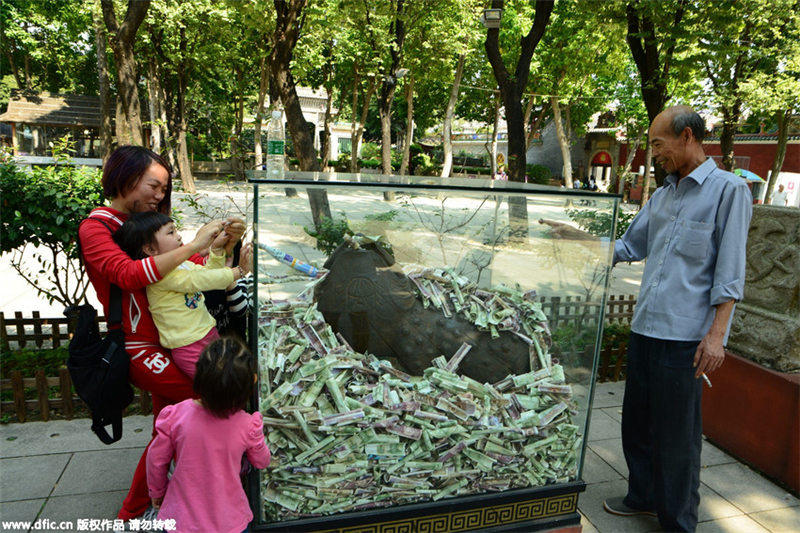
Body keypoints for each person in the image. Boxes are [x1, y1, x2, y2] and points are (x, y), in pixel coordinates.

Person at [603, 106, 751, 532]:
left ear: (687, 136)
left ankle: (678, 523)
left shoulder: (728, 191)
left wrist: (716, 337)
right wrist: (579, 244)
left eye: (657, 144)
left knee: (678, 439)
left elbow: (730, 271)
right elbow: (629, 246)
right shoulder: (663, 195)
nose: (654, 154)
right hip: (645, 329)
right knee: (637, 422)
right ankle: (643, 497)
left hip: (684, 339)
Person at [78, 145, 245, 521]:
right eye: (152, 186)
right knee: (200, 406)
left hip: (175, 339)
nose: (159, 197)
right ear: (124, 177)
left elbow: (182, 273)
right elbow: (129, 274)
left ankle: (149, 504)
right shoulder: (97, 227)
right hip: (140, 346)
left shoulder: (145, 221)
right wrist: (194, 246)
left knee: (167, 427)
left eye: (163, 190)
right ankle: (165, 503)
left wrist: (219, 246)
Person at [147, 337, 270, 533]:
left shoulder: (175, 416)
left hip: (180, 519)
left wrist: (157, 492)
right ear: (250, 383)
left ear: (199, 378)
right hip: (229, 521)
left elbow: (156, 461)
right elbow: (262, 461)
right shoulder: (248, 425)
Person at [113, 211, 253, 378]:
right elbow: (202, 280)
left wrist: (215, 250)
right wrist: (239, 271)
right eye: (171, 232)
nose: (179, 237)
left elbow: (209, 273)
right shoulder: (163, 276)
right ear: (150, 249)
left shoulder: (181, 264)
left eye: (176, 230)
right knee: (216, 388)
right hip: (189, 347)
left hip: (208, 334)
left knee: (226, 384)